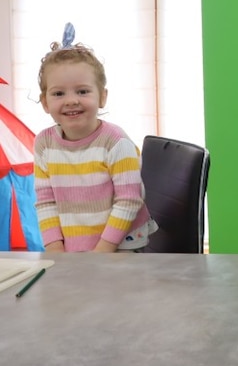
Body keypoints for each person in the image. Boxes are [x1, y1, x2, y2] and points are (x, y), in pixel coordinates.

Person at [33, 23, 156, 252]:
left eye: (82, 91)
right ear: (45, 102)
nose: (71, 100)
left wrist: (102, 252)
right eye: (59, 93)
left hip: (119, 244)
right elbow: (45, 201)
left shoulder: (116, 142)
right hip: (74, 245)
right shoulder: (44, 144)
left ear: (102, 97)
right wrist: (55, 249)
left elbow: (129, 200)